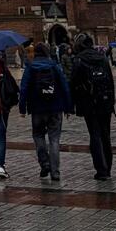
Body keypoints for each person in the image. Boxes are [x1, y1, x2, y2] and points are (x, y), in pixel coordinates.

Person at [19, 42, 72, 182]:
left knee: (38, 136)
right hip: (55, 107)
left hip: (37, 108)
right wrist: (68, 107)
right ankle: (55, 172)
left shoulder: (31, 67)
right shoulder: (54, 66)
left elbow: (23, 88)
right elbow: (65, 87)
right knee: (54, 139)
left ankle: (45, 163)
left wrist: (22, 108)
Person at [69, 34, 116, 181]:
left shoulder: (79, 60)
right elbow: (110, 81)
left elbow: (73, 83)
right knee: (105, 134)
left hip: (89, 103)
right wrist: (111, 102)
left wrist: (72, 104)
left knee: (95, 135)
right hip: (105, 101)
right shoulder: (102, 57)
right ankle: (108, 167)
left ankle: (101, 170)